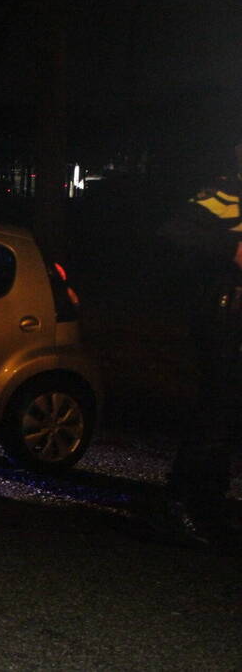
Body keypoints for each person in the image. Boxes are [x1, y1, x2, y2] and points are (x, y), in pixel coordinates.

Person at [158, 147, 242, 547]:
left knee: (227, 414)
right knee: (217, 412)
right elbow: (175, 233)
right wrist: (230, 250)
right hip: (225, 316)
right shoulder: (223, 195)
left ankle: (205, 500)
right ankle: (192, 506)